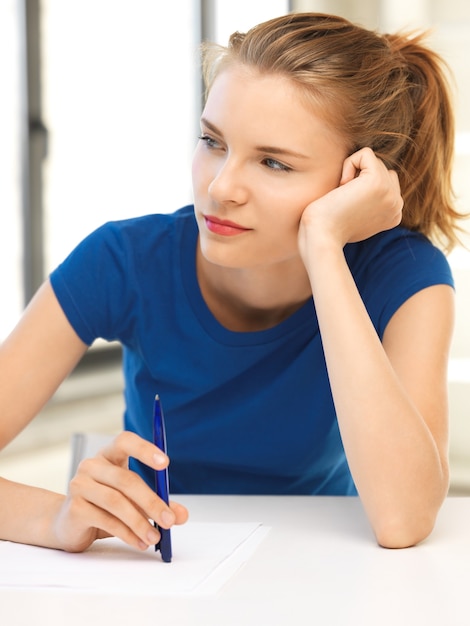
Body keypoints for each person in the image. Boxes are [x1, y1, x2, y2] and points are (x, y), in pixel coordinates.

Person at [0, 12, 463, 552]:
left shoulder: (406, 275)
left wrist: (324, 246)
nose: (220, 188)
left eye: (273, 162)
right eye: (212, 141)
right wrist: (54, 521)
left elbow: (403, 520)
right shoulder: (123, 260)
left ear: (357, 180)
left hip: (322, 563)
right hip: (154, 563)